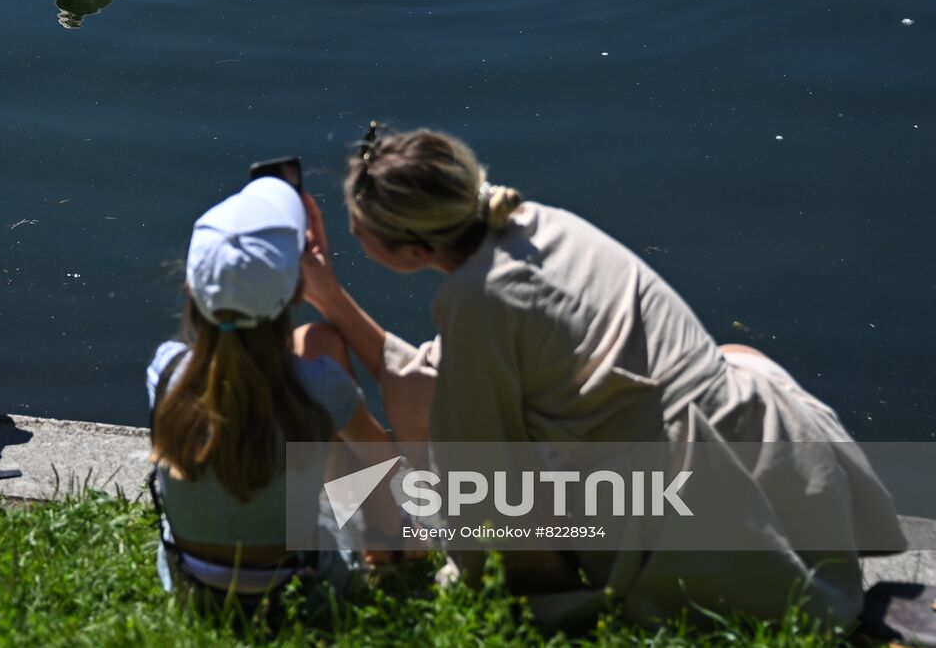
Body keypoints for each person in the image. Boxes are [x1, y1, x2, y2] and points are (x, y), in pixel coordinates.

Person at [296, 123, 904, 631]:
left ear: (412, 250)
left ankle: (387, 546)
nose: (354, 235)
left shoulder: (478, 301)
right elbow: (435, 379)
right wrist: (329, 296)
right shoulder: (536, 225)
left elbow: (474, 466)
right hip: (770, 449)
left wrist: (483, 576)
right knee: (734, 351)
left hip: (688, 508)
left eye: (360, 229)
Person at [146, 176, 400, 619]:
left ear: (191, 289)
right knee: (332, 384)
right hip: (301, 590)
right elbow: (377, 459)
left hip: (193, 588)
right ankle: (389, 552)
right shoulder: (320, 387)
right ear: (299, 292)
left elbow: (239, 371)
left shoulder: (166, 372)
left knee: (316, 343)